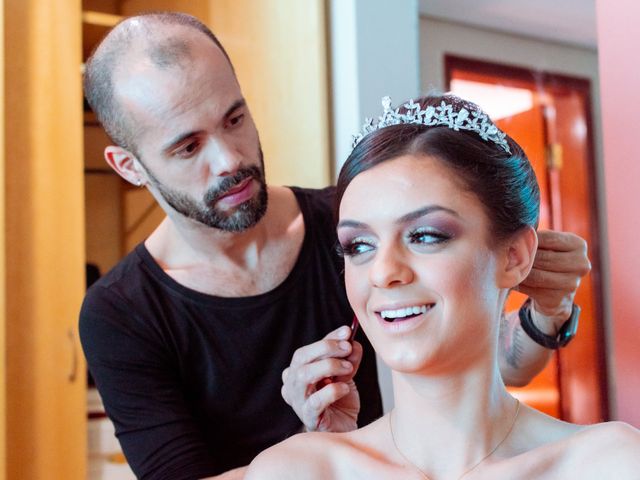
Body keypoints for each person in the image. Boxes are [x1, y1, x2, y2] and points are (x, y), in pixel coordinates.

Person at [79, 12, 591, 480]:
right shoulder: (121, 312)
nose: (230, 158)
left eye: (234, 119)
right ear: (128, 166)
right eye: (188, 146)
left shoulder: (354, 231)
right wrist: (324, 457)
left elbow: (488, 364)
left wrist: (549, 311)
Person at [245, 94, 640, 480]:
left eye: (426, 236)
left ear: (515, 256)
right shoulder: (298, 470)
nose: (383, 273)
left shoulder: (610, 464)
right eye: (359, 246)